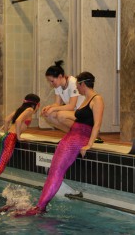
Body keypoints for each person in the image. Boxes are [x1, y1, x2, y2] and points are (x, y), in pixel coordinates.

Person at [26, 71, 104, 215]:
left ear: (82, 84)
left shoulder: (96, 99)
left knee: (57, 172)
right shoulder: (86, 98)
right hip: (71, 136)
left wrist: (90, 144)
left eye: (78, 86)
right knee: (53, 171)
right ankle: (40, 205)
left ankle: (40, 207)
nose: (77, 89)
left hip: (79, 138)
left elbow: (97, 124)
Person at [0, 93, 40, 194]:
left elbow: (6, 119)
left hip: (6, 137)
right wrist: (18, 136)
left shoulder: (20, 109)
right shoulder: (30, 110)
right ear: (37, 104)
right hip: (11, 138)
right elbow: (18, 121)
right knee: (0, 167)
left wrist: (6, 134)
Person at [41, 60, 85, 132]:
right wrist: (49, 107)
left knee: (61, 115)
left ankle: (84, 133)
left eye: (52, 81)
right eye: (49, 81)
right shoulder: (58, 85)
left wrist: (53, 109)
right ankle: (71, 134)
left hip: (82, 113)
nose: (51, 84)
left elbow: (71, 106)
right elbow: (57, 104)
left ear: (60, 76)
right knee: (48, 115)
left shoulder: (73, 82)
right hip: (74, 112)